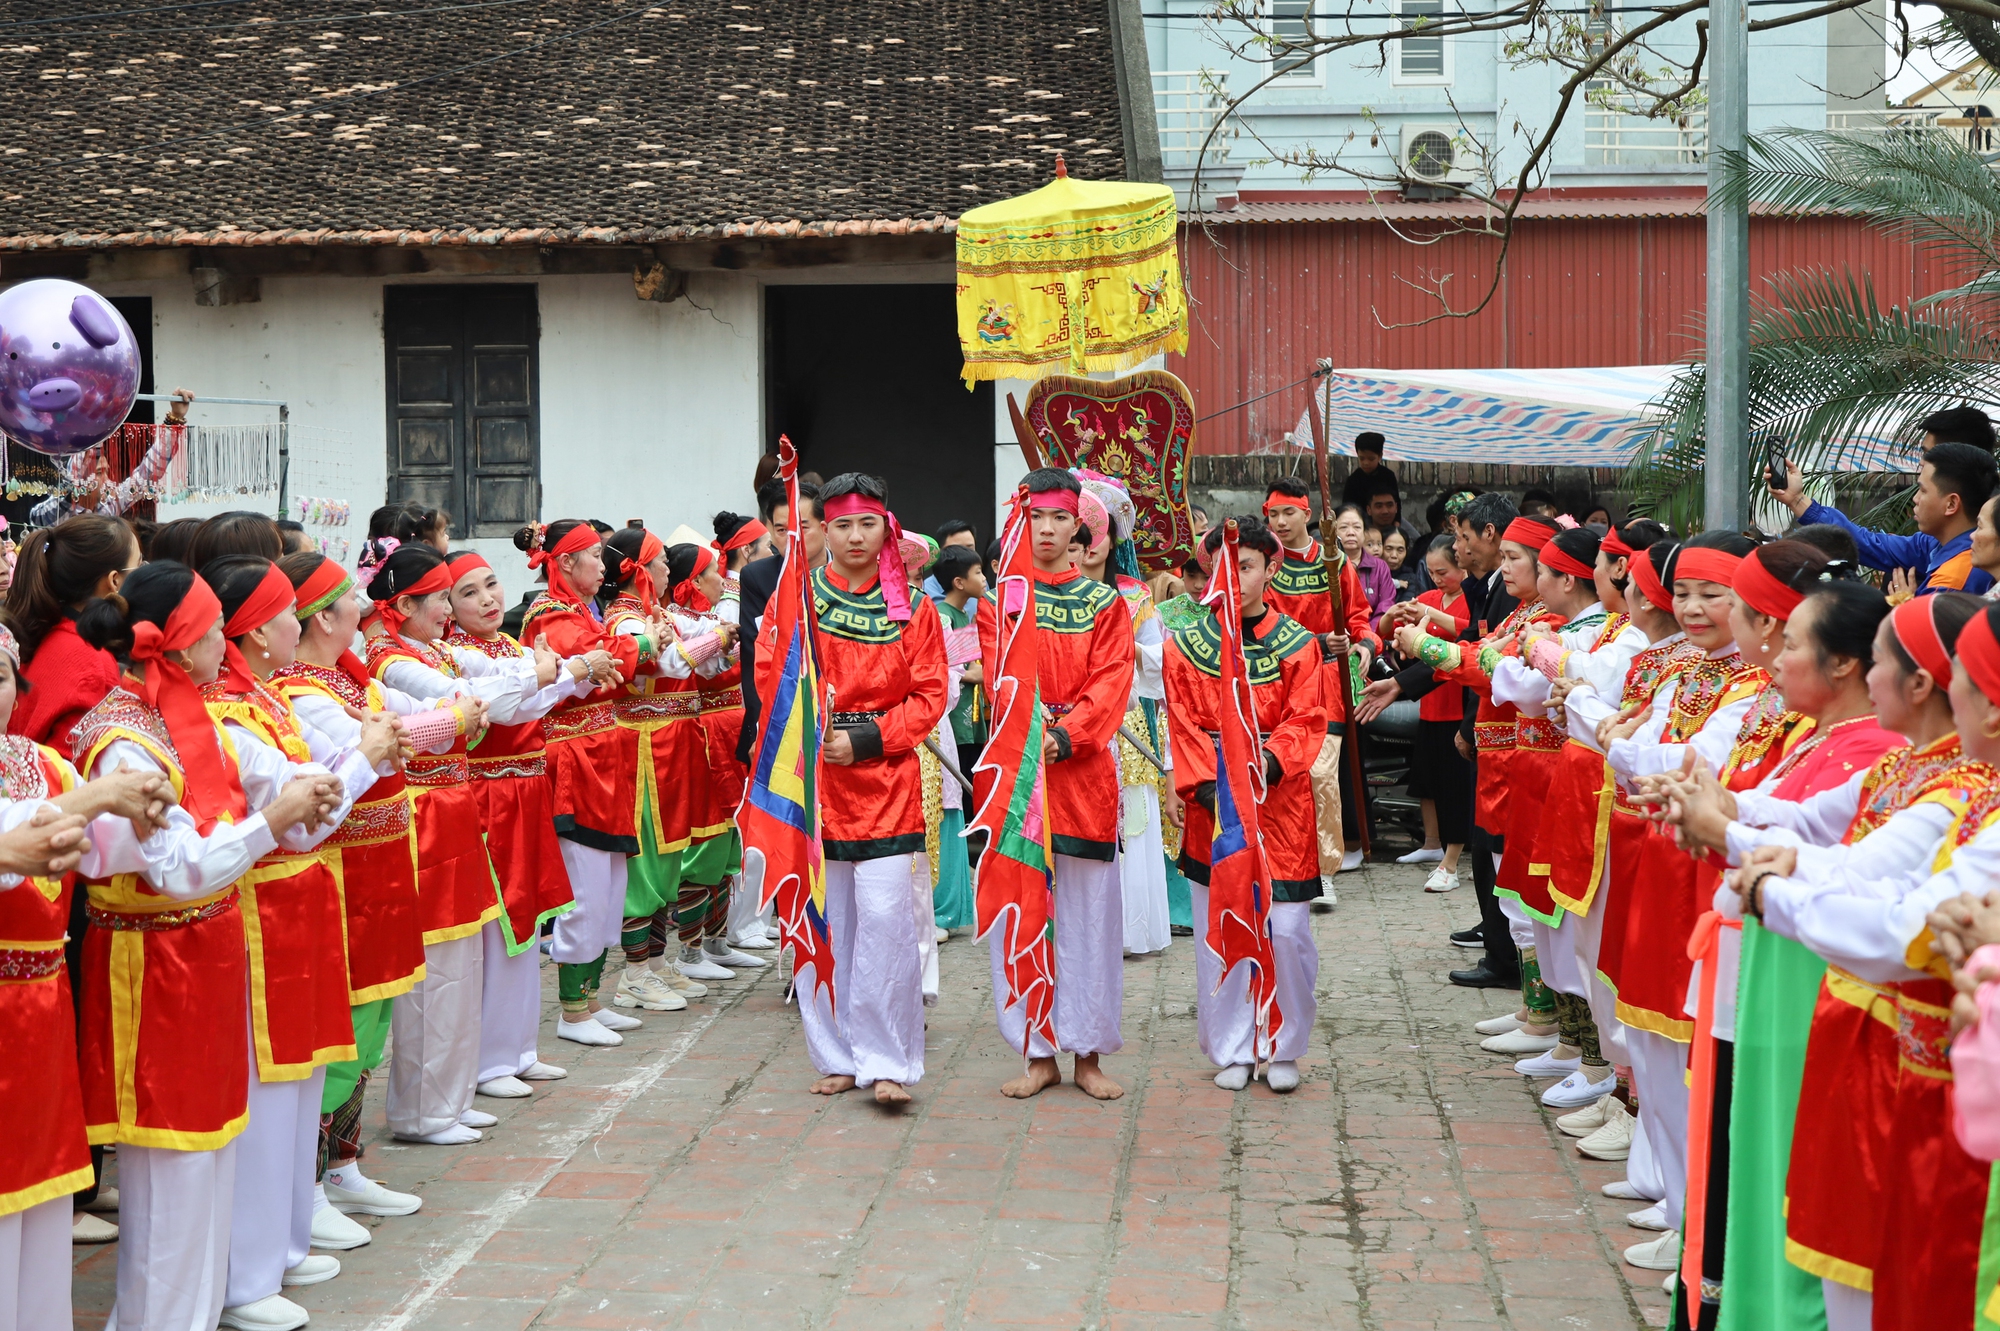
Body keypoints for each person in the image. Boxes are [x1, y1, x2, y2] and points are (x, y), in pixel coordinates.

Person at [1653, 587, 1973, 1331]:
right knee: (1840, 1245)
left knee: (1887, 1267)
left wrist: (1752, 864)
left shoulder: (1955, 793)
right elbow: (1813, 826)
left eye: (1883, 663)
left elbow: (1883, 911)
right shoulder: (1908, 772)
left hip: (1910, 1064)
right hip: (1859, 1035)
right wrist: (1728, 819)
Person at [71, 561, 345, 1331]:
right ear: (181, 647)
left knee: (209, 1152)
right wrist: (275, 815)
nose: (226, 640)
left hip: (203, 959)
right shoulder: (126, 742)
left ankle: (189, 1313)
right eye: (213, 629)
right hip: (156, 967)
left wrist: (304, 787)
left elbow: (252, 775)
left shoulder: (182, 719)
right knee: (174, 1171)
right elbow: (181, 869)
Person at [201, 555, 402, 1331]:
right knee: (270, 1082)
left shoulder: (260, 697)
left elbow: (316, 792)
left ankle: (281, 1241)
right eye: (287, 613)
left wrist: (346, 771)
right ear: (255, 634)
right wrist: (360, 761)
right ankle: (250, 1266)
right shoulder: (234, 708)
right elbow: (310, 797)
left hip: (305, 890)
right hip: (269, 901)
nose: (299, 624)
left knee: (304, 1070)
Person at [0, 621, 183, 1331]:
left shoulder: (42, 761)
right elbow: (21, 832)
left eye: (3, 672)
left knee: (42, 1192)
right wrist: (100, 798)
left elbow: (101, 851)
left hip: (41, 1006)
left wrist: (144, 811)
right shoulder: (57, 785)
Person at [780, 471, 946, 1106]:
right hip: (816, 783)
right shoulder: (800, 600)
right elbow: (774, 673)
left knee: (886, 923)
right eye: (841, 524)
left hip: (886, 780)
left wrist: (870, 739)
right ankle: (837, 1053)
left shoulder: (916, 609)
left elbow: (930, 694)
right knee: (826, 922)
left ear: (887, 527)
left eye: (866, 523)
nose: (854, 536)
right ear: (825, 528)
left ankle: (889, 1060)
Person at [978, 468, 1136, 1101]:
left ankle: (1088, 1052)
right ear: (1021, 519)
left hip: (1083, 779)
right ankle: (1036, 1051)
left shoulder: (1105, 604)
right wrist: (1029, 727)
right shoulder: (1001, 602)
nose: (1046, 530)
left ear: (1079, 526)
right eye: (1035, 517)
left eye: (1059, 519)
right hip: (1019, 780)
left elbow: (1112, 682)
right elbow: (997, 681)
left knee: (1089, 920)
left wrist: (1065, 733)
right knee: (1025, 912)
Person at [1164, 517, 1327, 1093]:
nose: (1235, 576)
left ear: (1271, 569)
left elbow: (1307, 718)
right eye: (1225, 566)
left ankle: (1282, 1045)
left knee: (1286, 928)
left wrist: (1269, 766)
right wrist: (1211, 787)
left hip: (1279, 806)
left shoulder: (1300, 645)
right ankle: (1233, 1045)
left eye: (1248, 565)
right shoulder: (1183, 646)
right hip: (1217, 809)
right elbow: (1180, 721)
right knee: (1221, 928)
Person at [443, 551, 611, 1097]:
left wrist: (569, 676)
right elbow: (512, 707)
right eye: (469, 593)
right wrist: (567, 672)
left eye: (491, 586)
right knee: (499, 922)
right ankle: (490, 1061)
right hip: (489, 797)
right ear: (446, 604)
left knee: (530, 913)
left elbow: (540, 695)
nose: (489, 599)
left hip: (526, 791)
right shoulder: (456, 656)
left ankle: (518, 1049)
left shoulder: (510, 648)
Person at [1359, 491, 1520, 984]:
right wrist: (1403, 680)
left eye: (1465, 537)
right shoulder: (1495, 588)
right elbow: (1476, 652)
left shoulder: (1519, 601)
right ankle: (1501, 948)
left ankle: (1507, 958)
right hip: (1490, 731)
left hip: (1511, 742)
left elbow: (1478, 659)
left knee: (1498, 850)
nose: (1459, 547)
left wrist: (1422, 645)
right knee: (1488, 845)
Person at [517, 521, 649, 1047]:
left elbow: (615, 658)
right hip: (576, 762)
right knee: (586, 885)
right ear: (566, 563)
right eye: (593, 556)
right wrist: (634, 644)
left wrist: (624, 648)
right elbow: (608, 661)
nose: (605, 565)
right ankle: (572, 1012)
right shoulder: (551, 615)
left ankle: (590, 998)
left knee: (610, 880)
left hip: (602, 757)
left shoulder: (582, 613)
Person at [1259, 476, 1379, 885]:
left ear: (1307, 514)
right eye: (1273, 514)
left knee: (1322, 772)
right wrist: (1315, 639)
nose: (1280, 521)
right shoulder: (1264, 565)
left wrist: (1365, 645)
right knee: (1280, 768)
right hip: (1274, 677)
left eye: (1288, 512)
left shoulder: (1332, 561)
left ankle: (1324, 867)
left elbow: (1359, 616)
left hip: (1325, 678)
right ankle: (1281, 858)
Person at [1772, 439, 1997, 595]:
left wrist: (1906, 610)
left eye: (1923, 490)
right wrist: (1796, 500)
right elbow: (1870, 544)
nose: (1915, 499)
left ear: (1951, 504)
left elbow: (1925, 651)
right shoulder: (1934, 544)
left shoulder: (1954, 577)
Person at [1380, 534, 1470, 889]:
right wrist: (1393, 617)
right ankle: (1432, 843)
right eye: (1431, 572)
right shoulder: (1428, 599)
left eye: (1444, 571)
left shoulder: (1467, 601)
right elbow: (1386, 631)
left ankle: (1452, 859)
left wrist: (1430, 616)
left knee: (1454, 785)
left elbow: (1468, 633)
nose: (1437, 578)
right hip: (1428, 703)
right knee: (1427, 781)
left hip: (1456, 699)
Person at [737, 482, 824, 766]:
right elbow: (755, 661)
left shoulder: (848, 574)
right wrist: (764, 732)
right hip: (783, 717)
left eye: (803, 527)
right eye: (781, 529)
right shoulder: (757, 578)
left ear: (825, 526)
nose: (792, 537)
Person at [931, 542, 985, 933]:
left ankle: (951, 906)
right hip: (944, 718)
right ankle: (940, 906)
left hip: (964, 718)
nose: (984, 580)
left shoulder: (966, 614)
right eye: (979, 573)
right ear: (958, 581)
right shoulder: (940, 615)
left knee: (958, 803)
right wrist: (972, 674)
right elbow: (946, 668)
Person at [1340, 432, 1396, 510]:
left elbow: (1396, 502)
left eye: (1371, 459)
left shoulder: (1388, 476)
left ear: (1380, 456)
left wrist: (1396, 521)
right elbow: (1346, 507)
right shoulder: (1353, 480)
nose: (1366, 463)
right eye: (1362, 458)